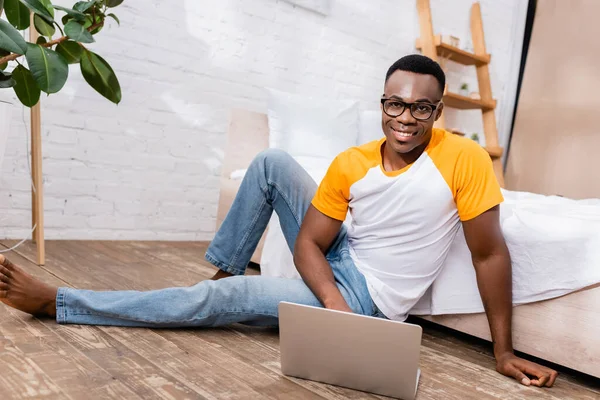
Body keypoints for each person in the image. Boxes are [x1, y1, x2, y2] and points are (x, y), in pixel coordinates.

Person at [0, 54, 557, 388]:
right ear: (381, 103)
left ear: (438, 113)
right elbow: (313, 245)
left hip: (371, 300)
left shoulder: (461, 158)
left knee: (221, 306)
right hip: (339, 277)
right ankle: (224, 277)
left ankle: (62, 302)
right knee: (270, 162)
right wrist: (332, 304)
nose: (404, 119)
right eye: (394, 104)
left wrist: (502, 353)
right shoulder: (352, 161)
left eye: (420, 108)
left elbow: (489, 254)